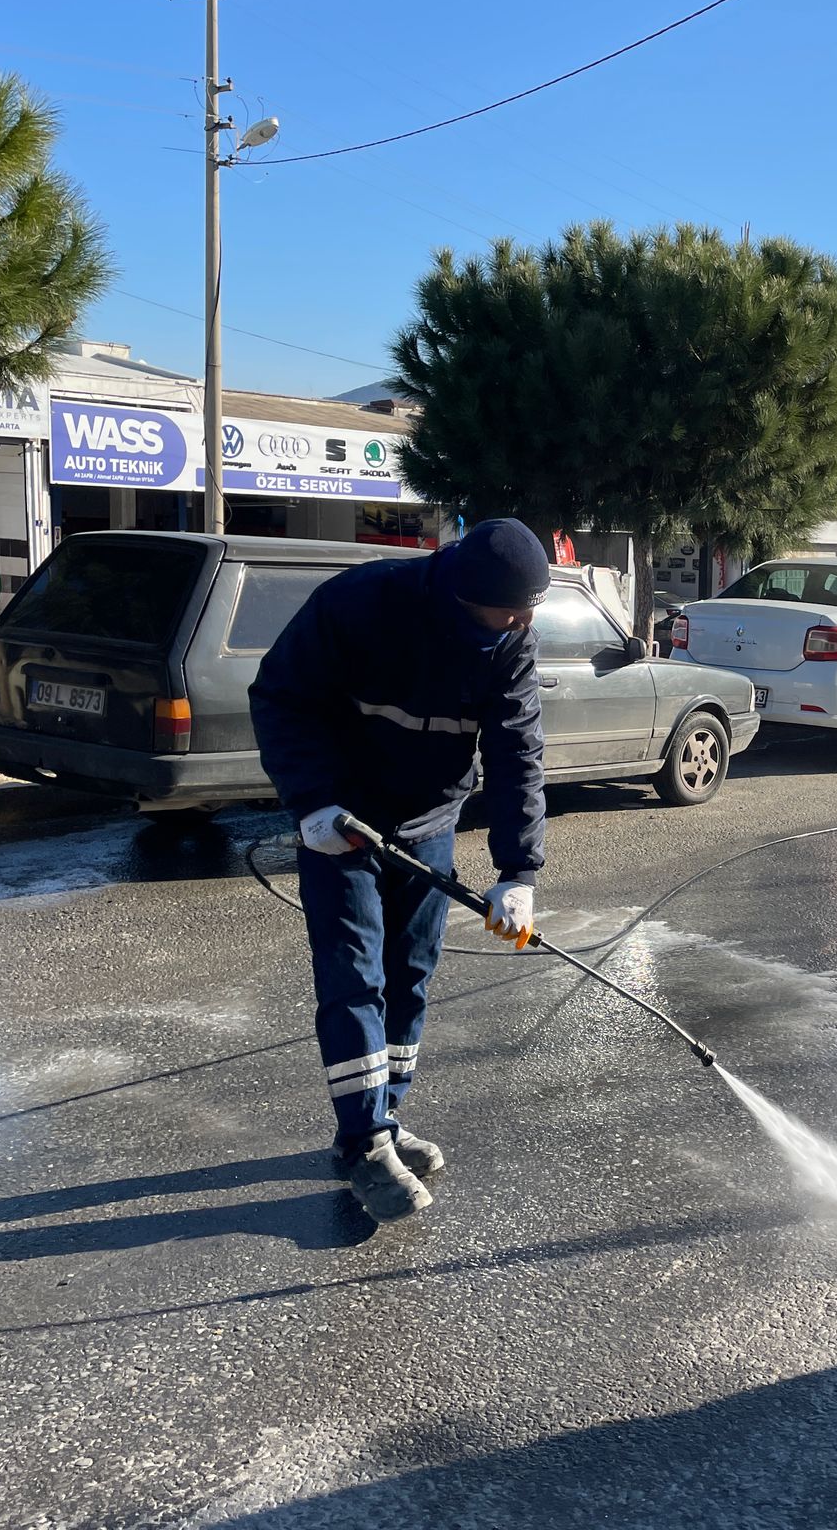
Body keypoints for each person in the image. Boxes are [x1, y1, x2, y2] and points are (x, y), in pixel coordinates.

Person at [250, 518, 551, 1223]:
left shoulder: (508, 638)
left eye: (528, 611)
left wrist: (518, 870)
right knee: (356, 978)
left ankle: (383, 1116)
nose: (522, 621)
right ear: (463, 593)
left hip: (429, 827)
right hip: (343, 829)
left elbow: (517, 750)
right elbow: (281, 698)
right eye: (511, 609)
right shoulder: (360, 604)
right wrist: (313, 805)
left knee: (410, 974)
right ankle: (362, 1145)